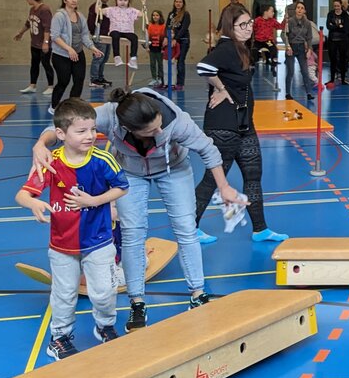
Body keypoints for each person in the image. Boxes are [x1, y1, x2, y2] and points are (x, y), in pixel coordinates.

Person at [31, 84, 241, 330]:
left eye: (159, 125)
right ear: (129, 129)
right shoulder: (110, 115)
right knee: (132, 233)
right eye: (151, 130)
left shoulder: (176, 122)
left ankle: (197, 293)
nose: (159, 130)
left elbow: (208, 150)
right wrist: (40, 144)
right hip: (129, 171)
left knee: (186, 228)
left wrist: (224, 187)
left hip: (174, 169)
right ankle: (137, 302)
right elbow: (61, 127)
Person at [15, 98, 128, 359]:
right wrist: (33, 203)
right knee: (64, 294)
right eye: (81, 131)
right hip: (62, 246)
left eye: (93, 129)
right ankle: (60, 338)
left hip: (99, 241)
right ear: (61, 134)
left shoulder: (102, 160)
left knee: (104, 292)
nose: (90, 136)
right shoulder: (50, 162)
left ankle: (105, 326)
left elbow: (122, 187)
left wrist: (94, 201)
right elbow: (21, 194)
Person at [193, 4, 287, 245]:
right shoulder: (226, 47)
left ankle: (260, 229)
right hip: (223, 126)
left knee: (253, 176)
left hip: (243, 124)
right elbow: (203, 67)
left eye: (249, 23)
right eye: (242, 25)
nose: (248, 28)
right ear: (230, 27)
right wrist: (221, 88)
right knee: (212, 180)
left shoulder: (240, 48)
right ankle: (189, 228)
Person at [49, 0, 103, 114]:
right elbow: (55, 36)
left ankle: (72, 107)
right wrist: (69, 49)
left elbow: (84, 35)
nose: (73, 1)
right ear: (65, 0)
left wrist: (93, 48)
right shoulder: (59, 16)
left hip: (78, 54)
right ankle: (54, 106)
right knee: (63, 81)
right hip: (61, 55)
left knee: (79, 80)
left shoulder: (80, 16)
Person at [15, 0, 55, 96]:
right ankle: (32, 85)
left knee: (46, 64)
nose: (26, 0)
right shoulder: (32, 9)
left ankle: (51, 86)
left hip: (43, 44)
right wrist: (20, 33)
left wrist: (46, 42)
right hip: (34, 43)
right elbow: (28, 23)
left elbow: (47, 27)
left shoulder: (45, 9)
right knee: (34, 64)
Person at [282, 2, 320, 103]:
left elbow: (309, 37)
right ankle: (288, 93)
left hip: (302, 48)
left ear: (304, 11)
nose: (299, 9)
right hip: (291, 47)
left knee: (305, 71)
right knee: (290, 71)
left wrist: (309, 50)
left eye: (302, 8)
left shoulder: (307, 23)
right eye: (298, 7)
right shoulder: (290, 21)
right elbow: (284, 35)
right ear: (295, 10)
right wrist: (287, 46)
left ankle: (309, 93)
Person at [102, 0, 144, 70]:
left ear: (128, 1)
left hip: (127, 31)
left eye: (125, 0)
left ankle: (133, 58)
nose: (123, 2)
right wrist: (98, 1)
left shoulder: (131, 11)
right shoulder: (111, 10)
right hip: (115, 30)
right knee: (115, 35)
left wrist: (143, 4)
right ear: (116, 0)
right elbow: (98, 11)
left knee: (134, 38)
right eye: (120, 0)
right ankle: (117, 56)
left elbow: (142, 14)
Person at [86, 0, 112, 88]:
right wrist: (94, 34)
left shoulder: (106, 8)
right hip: (99, 37)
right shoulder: (95, 7)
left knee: (104, 58)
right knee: (98, 58)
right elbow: (90, 22)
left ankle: (100, 77)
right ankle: (94, 79)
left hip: (107, 37)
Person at [167, 0, 191, 90]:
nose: (178, 3)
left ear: (183, 4)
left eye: (180, 2)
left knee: (180, 61)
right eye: (176, 1)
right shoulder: (171, 14)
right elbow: (167, 26)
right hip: (172, 40)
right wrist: (166, 37)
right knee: (171, 61)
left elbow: (184, 28)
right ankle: (171, 82)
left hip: (183, 40)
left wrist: (176, 39)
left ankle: (180, 83)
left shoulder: (186, 14)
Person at [325, 0, 349, 85]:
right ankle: (332, 79)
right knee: (333, 60)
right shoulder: (330, 14)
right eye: (335, 6)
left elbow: (346, 28)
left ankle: (343, 79)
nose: (336, 8)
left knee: (343, 59)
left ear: (341, 5)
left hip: (343, 40)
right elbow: (328, 26)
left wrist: (334, 26)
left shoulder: (345, 15)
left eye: (338, 6)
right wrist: (338, 26)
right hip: (332, 40)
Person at [252, 5, 282, 74]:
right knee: (253, 50)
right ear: (265, 12)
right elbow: (252, 28)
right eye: (272, 11)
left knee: (274, 49)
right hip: (258, 41)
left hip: (268, 41)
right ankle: (252, 66)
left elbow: (280, 26)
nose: (273, 13)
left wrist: (285, 20)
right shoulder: (257, 20)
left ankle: (273, 66)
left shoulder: (273, 21)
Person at [146, 10, 167, 87]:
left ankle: (160, 78)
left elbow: (164, 38)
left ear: (160, 16)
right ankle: (154, 78)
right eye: (154, 15)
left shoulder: (163, 26)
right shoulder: (150, 26)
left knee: (160, 64)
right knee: (152, 64)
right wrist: (147, 47)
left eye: (157, 15)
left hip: (160, 48)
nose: (155, 17)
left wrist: (163, 48)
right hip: (152, 48)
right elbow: (147, 37)